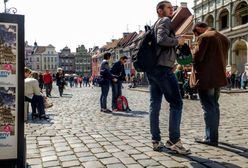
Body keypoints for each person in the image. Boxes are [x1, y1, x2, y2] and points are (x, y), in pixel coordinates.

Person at [146, 1, 190, 154]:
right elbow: (161, 40)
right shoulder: (165, 20)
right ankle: (174, 141)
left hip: (152, 70)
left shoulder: (155, 24)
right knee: (176, 103)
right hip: (163, 69)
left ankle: (156, 141)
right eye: (169, 7)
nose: (172, 9)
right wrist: (177, 40)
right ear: (160, 10)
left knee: (155, 105)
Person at [192, 22, 229, 146]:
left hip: (206, 78)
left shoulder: (205, 37)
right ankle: (213, 136)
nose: (196, 37)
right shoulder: (224, 38)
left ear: (199, 29)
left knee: (208, 107)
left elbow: (197, 58)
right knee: (214, 106)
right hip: (219, 78)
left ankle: (210, 138)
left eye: (196, 34)